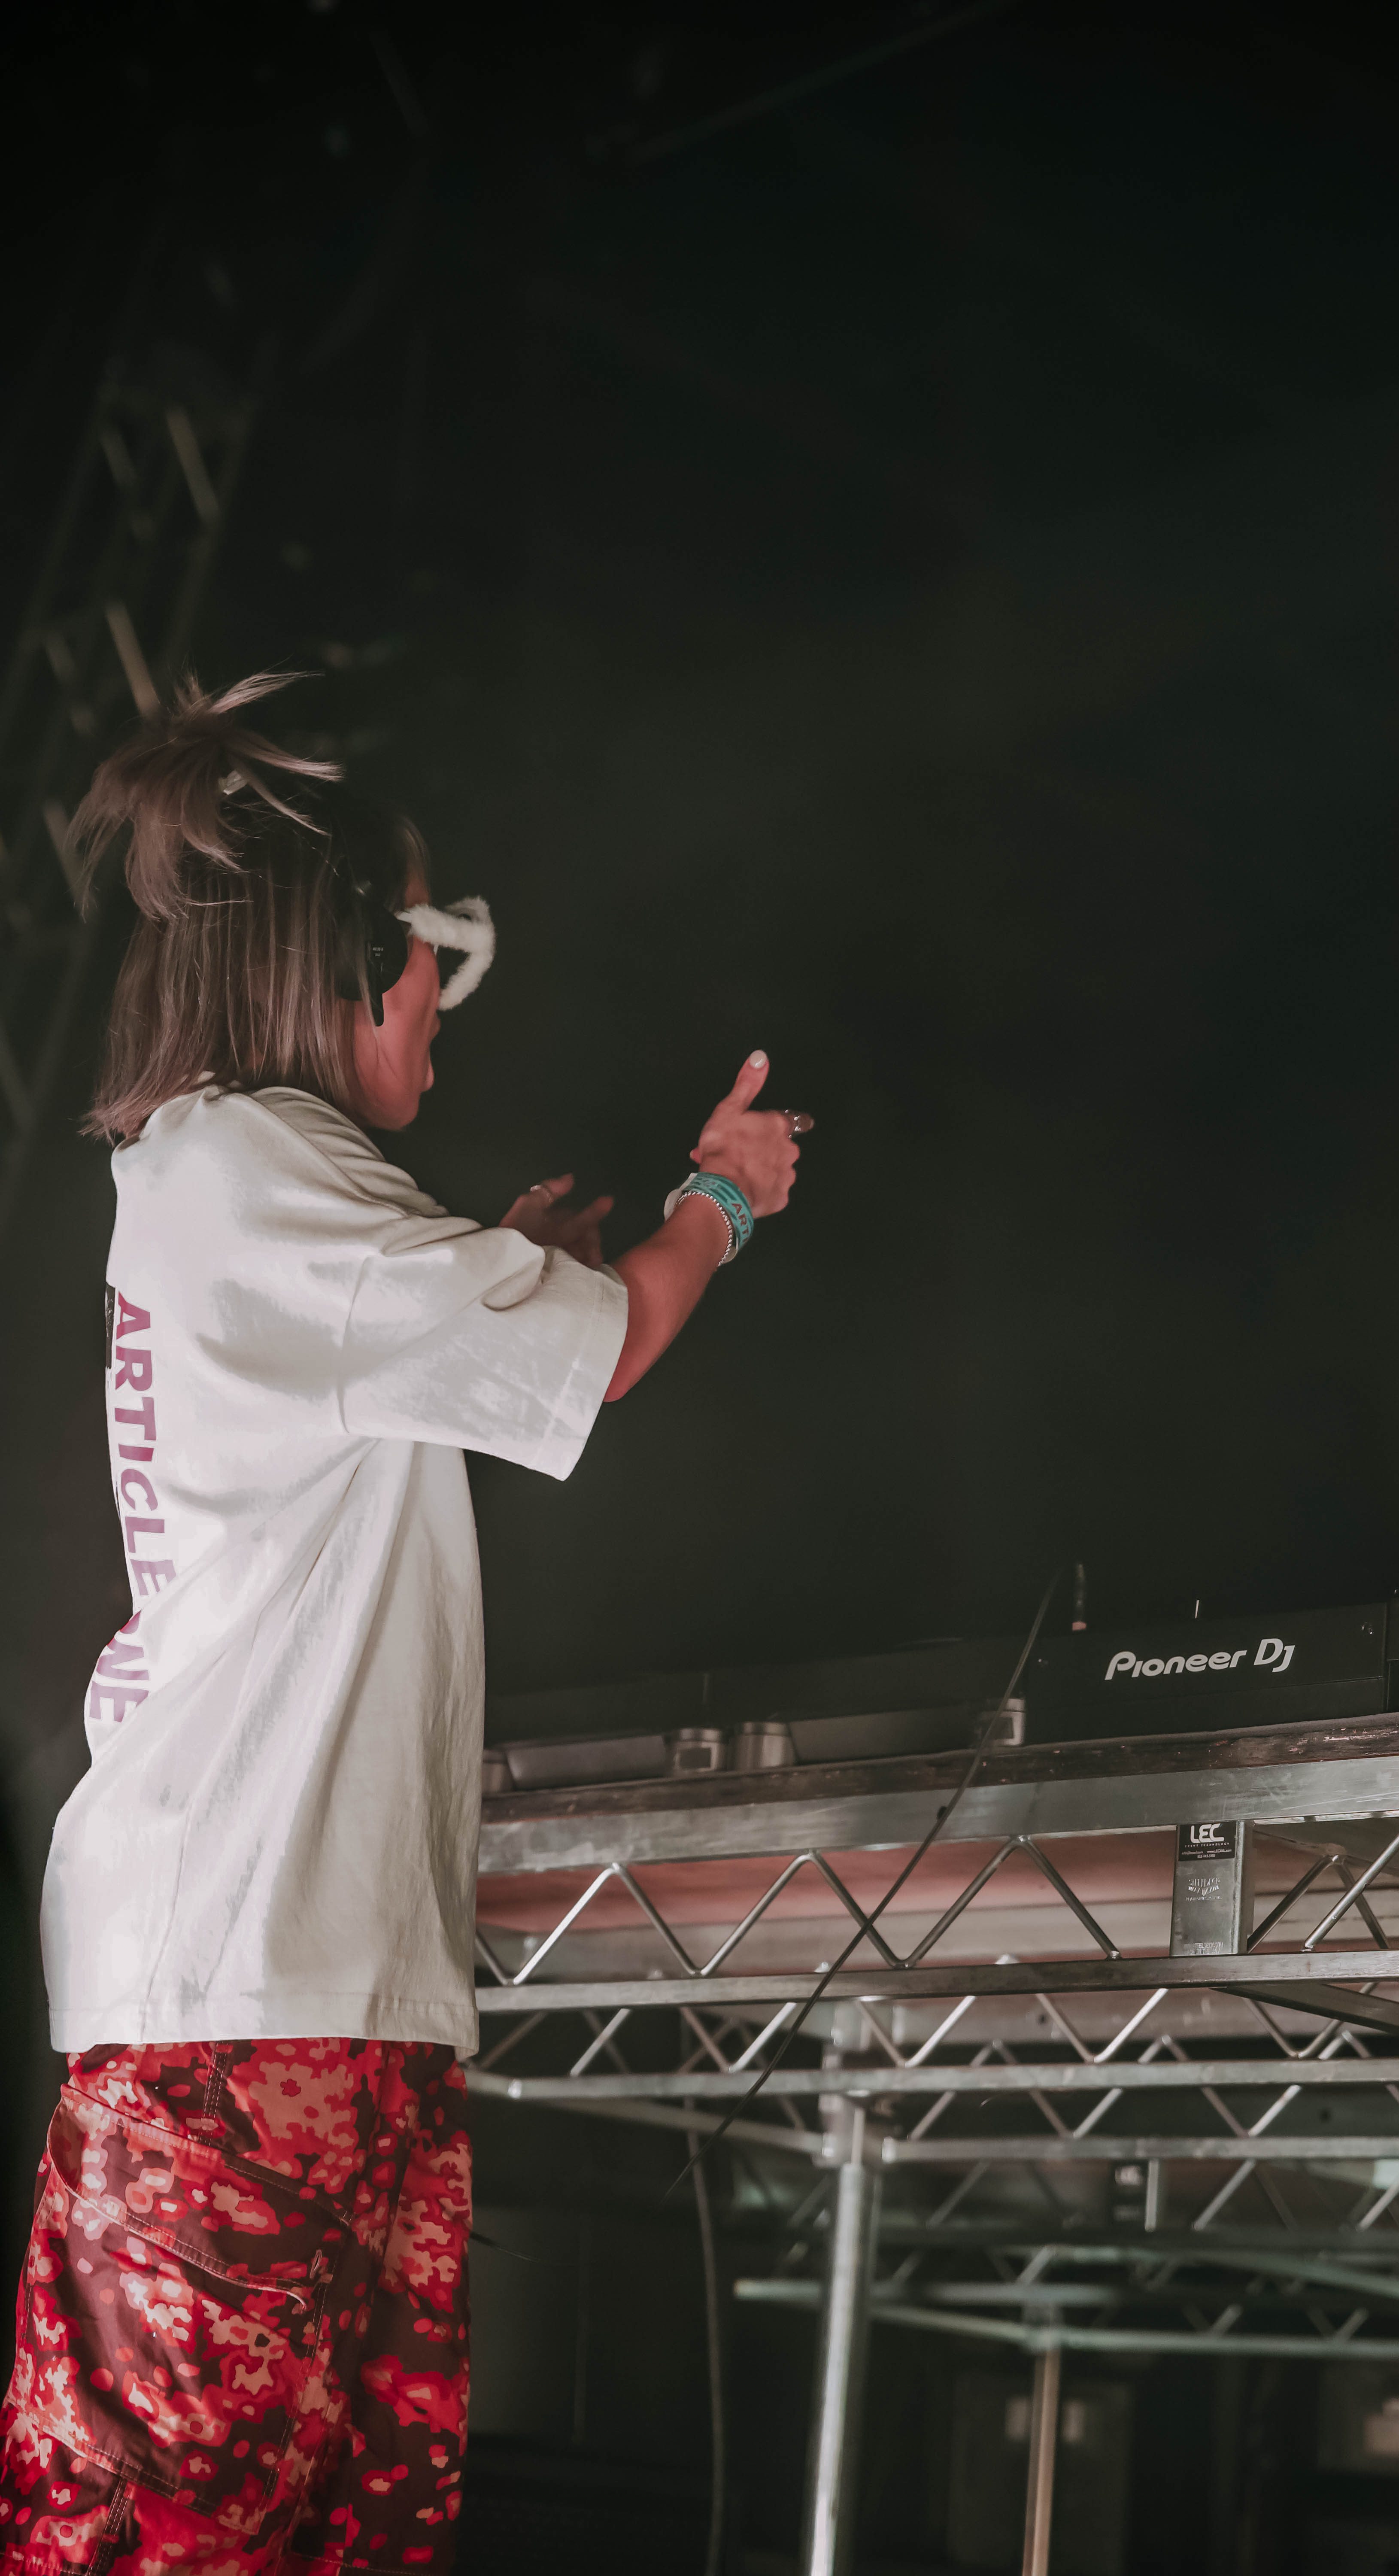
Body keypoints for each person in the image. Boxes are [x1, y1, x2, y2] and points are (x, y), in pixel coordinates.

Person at [0, 671, 806, 2573]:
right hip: (238, 2008)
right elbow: (608, 1347)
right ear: (331, 978)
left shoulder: (261, 1194)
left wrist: (508, 1258)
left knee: (324, 2543)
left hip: (323, 2007)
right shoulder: (238, 1172)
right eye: (423, 989)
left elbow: (421, 1355)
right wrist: (718, 1203)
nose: (438, 1033)